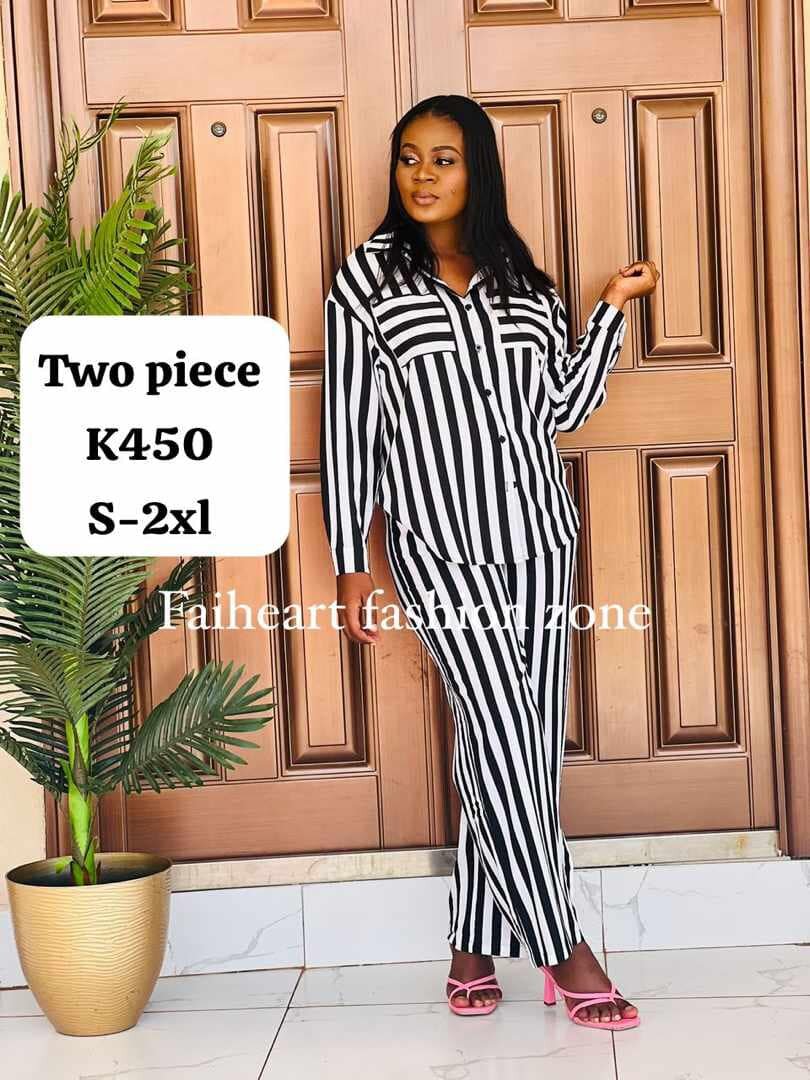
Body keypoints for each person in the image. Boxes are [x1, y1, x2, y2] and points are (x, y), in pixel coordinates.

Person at [320, 94, 658, 1030]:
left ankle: (472, 945)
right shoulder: (367, 283)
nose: (422, 175)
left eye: (444, 158)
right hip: (437, 551)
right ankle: (565, 949)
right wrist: (352, 562)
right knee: (507, 737)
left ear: (478, 171)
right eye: (409, 158)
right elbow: (348, 429)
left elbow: (562, 409)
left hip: (541, 543)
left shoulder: (525, 287)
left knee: (514, 750)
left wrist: (610, 311)